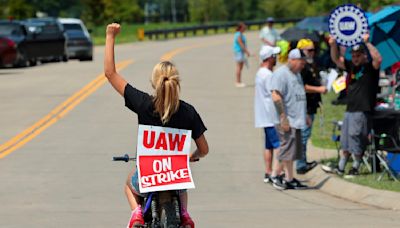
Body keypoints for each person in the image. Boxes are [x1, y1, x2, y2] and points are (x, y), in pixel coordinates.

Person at [104, 23, 209, 228]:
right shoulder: (189, 111)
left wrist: (110, 36)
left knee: (128, 184)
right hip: (175, 174)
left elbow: (110, 73)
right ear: (176, 82)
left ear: (154, 82)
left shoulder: (143, 104)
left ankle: (136, 214)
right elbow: (204, 149)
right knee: (182, 185)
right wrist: (190, 156)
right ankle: (185, 214)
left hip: (147, 174)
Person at [322, 34, 381, 177]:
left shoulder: (370, 68)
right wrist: (333, 45)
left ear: (364, 56)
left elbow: (378, 59)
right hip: (350, 108)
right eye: (353, 56)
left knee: (356, 137)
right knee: (345, 139)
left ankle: (356, 166)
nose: (355, 58)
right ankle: (341, 167)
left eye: (358, 55)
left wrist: (367, 43)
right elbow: (336, 59)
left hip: (362, 109)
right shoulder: (351, 68)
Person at [270, 48, 308, 190]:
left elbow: (298, 95)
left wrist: (304, 115)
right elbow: (275, 95)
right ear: (292, 59)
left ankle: (288, 177)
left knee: (291, 153)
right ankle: (278, 176)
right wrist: (282, 117)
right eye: (301, 62)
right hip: (287, 120)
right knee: (286, 150)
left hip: (296, 119)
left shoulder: (297, 74)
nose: (303, 65)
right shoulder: (281, 74)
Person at [296, 39, 327, 174]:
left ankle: (302, 161)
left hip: (311, 104)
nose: (312, 53)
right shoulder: (301, 67)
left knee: (304, 135)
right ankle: (300, 164)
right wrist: (319, 89)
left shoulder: (310, 64)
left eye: (314, 50)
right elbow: (302, 87)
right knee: (303, 135)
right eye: (309, 50)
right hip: (304, 105)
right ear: (301, 51)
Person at [254, 45, 282, 183]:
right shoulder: (269, 75)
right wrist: (282, 113)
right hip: (271, 116)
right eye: (274, 56)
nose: (276, 59)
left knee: (269, 145)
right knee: (278, 145)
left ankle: (268, 171)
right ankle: (277, 173)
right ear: (270, 58)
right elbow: (275, 95)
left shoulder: (260, 72)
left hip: (263, 116)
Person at [233, 22, 251, 87]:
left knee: (240, 67)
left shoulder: (240, 34)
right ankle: (238, 82)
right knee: (239, 67)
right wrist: (247, 51)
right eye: (244, 27)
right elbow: (241, 43)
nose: (245, 28)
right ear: (240, 28)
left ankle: (239, 81)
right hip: (239, 52)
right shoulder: (238, 34)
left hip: (240, 52)